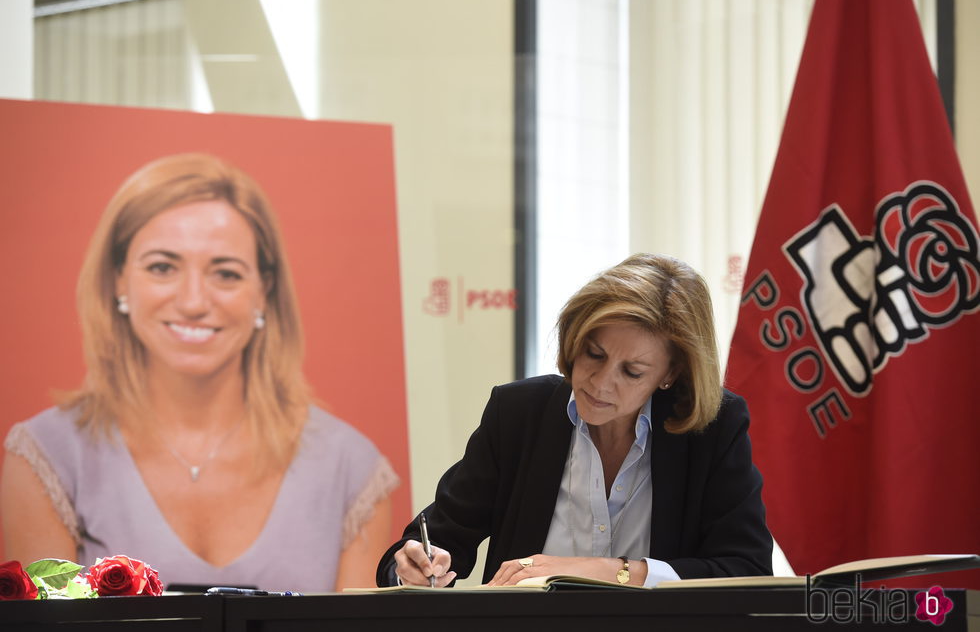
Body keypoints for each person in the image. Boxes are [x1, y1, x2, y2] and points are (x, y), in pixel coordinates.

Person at [1, 153, 398, 592]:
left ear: (263, 292)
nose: (193, 301)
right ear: (117, 279)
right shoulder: (46, 457)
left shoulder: (352, 469)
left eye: (225, 273)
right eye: (162, 267)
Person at [377, 253, 772, 588]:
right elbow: (435, 539)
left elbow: (746, 572)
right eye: (593, 354)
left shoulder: (712, 428)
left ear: (670, 374)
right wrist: (412, 566)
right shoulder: (518, 413)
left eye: (631, 371)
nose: (600, 383)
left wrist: (610, 571)